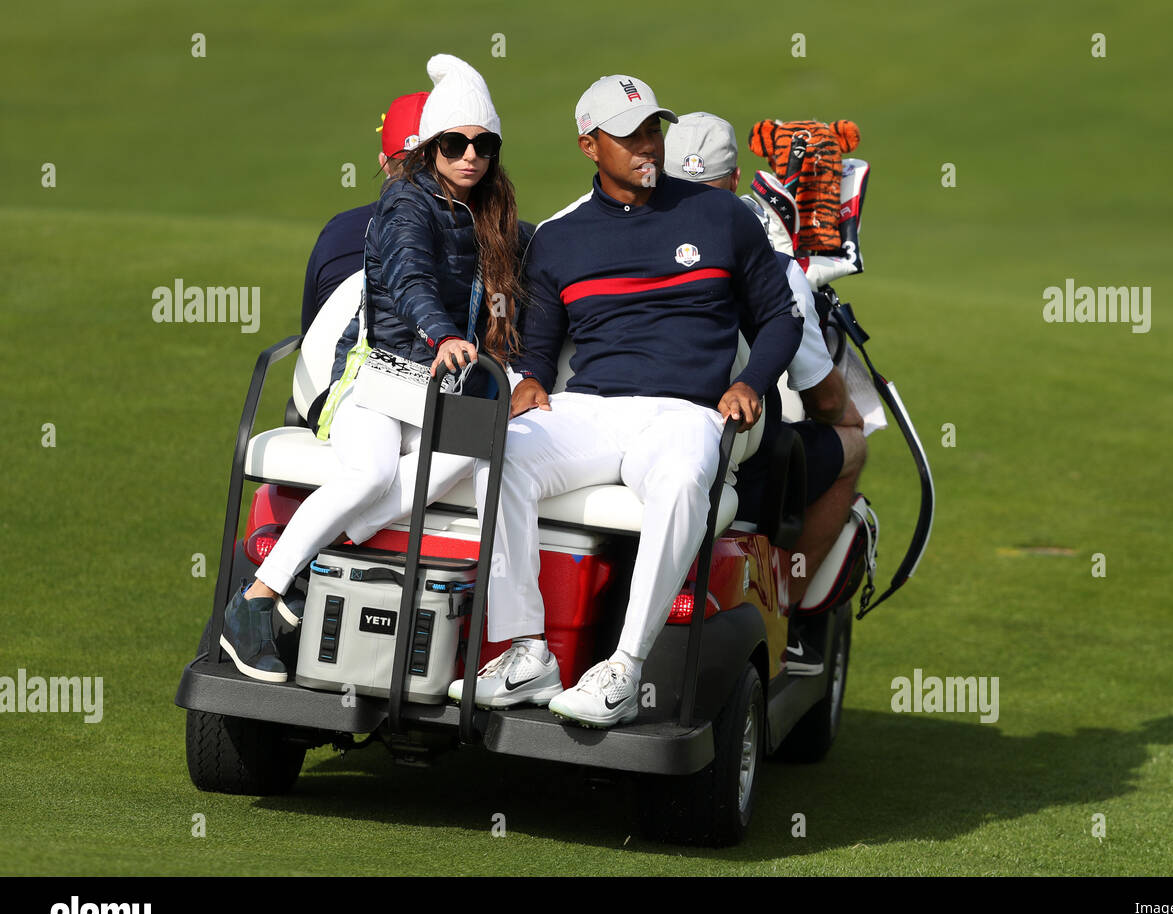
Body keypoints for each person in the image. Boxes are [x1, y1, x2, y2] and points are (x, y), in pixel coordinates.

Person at [448, 75, 802, 727]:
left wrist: (751, 382)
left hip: (687, 411)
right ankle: (529, 650)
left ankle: (624, 667)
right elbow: (543, 340)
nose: (647, 144)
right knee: (496, 453)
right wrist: (527, 377)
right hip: (590, 410)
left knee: (680, 485)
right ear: (589, 145)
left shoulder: (721, 218)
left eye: (652, 129)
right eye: (627, 133)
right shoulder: (561, 237)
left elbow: (781, 317)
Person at [220, 54, 527, 682]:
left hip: (436, 392)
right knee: (371, 472)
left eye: (484, 144)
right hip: (382, 383)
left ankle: (310, 565)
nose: (470, 155)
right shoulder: (405, 205)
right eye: (454, 143)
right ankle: (256, 600)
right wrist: (440, 331)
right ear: (429, 149)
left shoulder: (488, 215)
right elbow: (409, 277)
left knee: (478, 449)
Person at [663, 112, 868, 671]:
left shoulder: (608, 237)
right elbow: (825, 402)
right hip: (731, 467)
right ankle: (791, 613)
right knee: (850, 440)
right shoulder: (772, 268)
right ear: (734, 182)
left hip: (624, 439)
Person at [300, 92, 429, 335]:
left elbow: (311, 337)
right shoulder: (474, 236)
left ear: (383, 162)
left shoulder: (336, 231)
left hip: (331, 371)